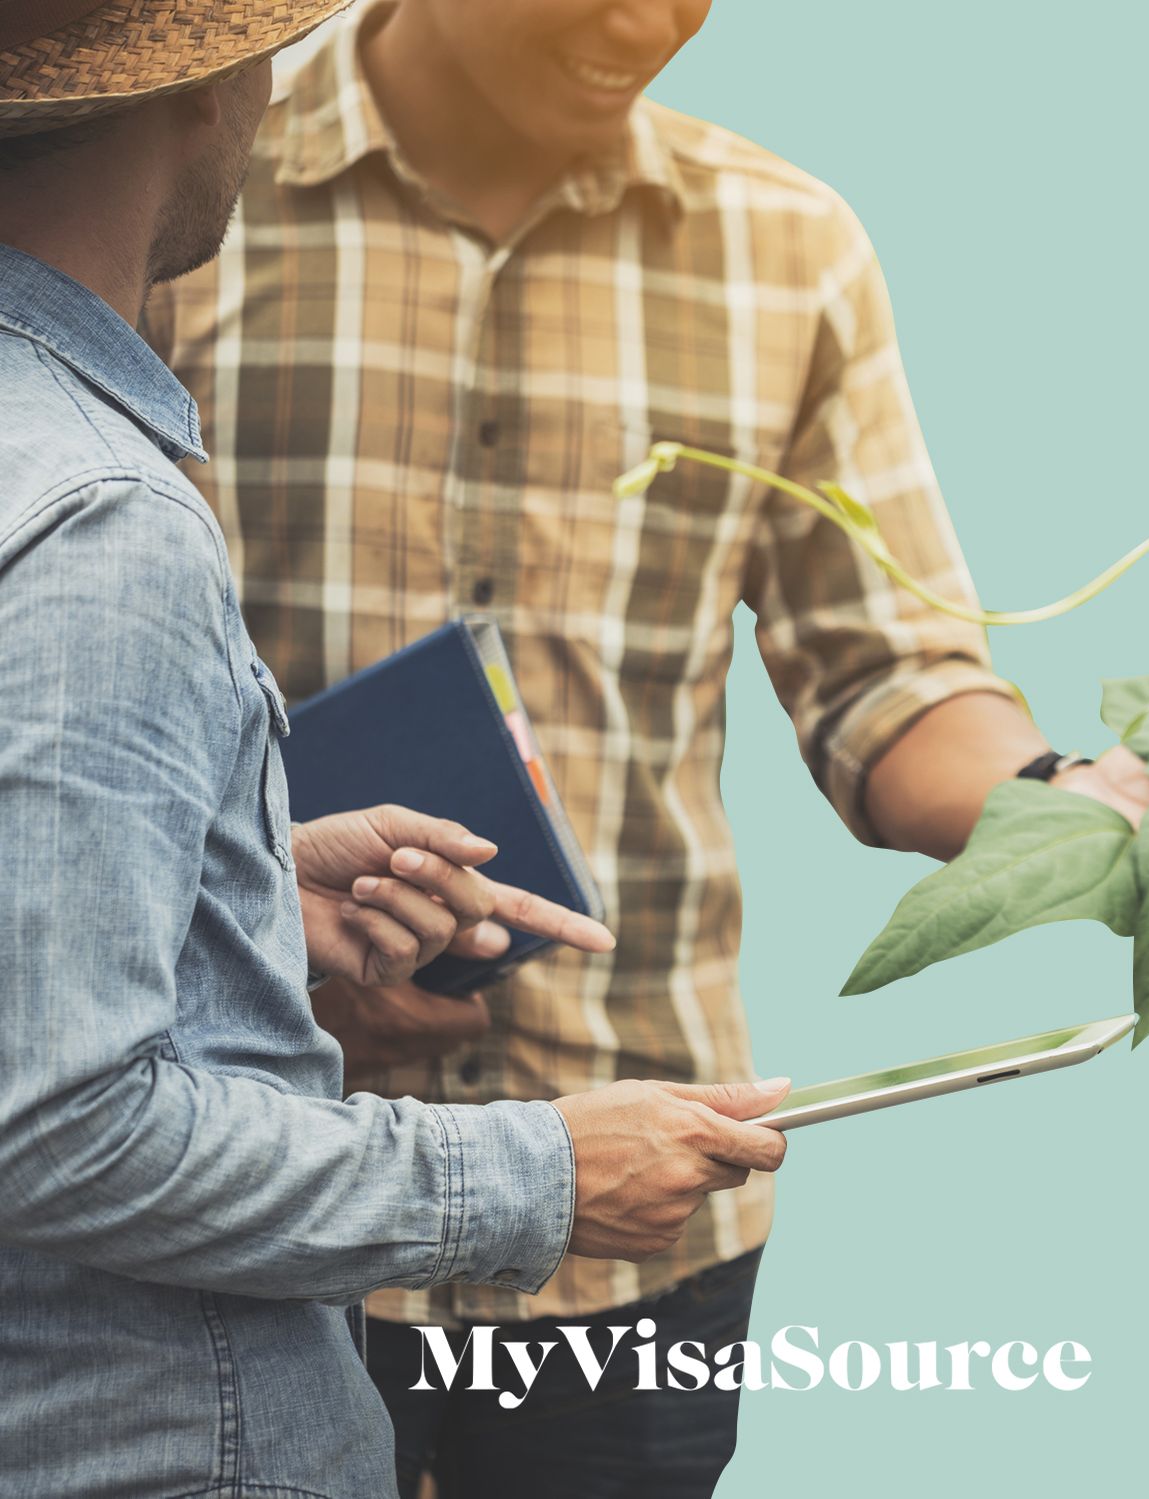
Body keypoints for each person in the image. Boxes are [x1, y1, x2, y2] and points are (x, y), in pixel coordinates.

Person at [146, 0, 1149, 1492]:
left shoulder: (787, 247)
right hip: (261, 1186)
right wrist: (251, 950)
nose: (648, 17)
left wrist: (1069, 803)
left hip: (645, 1197)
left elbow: (887, 682)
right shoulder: (178, 176)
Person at [0, 4, 791, 1496]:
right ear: (204, 86)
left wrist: (225, 893)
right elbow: (56, 1127)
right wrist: (536, 1173)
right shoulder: (105, 516)